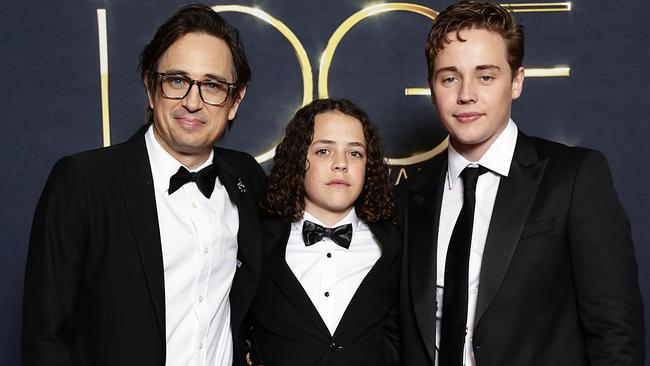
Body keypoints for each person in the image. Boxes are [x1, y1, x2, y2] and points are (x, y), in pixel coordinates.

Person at [397, 1, 645, 365]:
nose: (466, 94)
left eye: (486, 76)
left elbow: (616, 333)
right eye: (450, 77)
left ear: (516, 82)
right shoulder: (406, 198)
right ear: (433, 89)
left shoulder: (574, 177)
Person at [22, 5, 265, 366]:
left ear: (235, 100)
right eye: (177, 81)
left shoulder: (246, 178)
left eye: (212, 85)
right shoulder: (83, 181)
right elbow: (46, 339)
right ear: (151, 87)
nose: (193, 102)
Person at [247, 98, 401, 366]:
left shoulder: (395, 244)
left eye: (355, 153)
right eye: (324, 151)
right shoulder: (258, 241)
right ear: (298, 159)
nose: (341, 164)